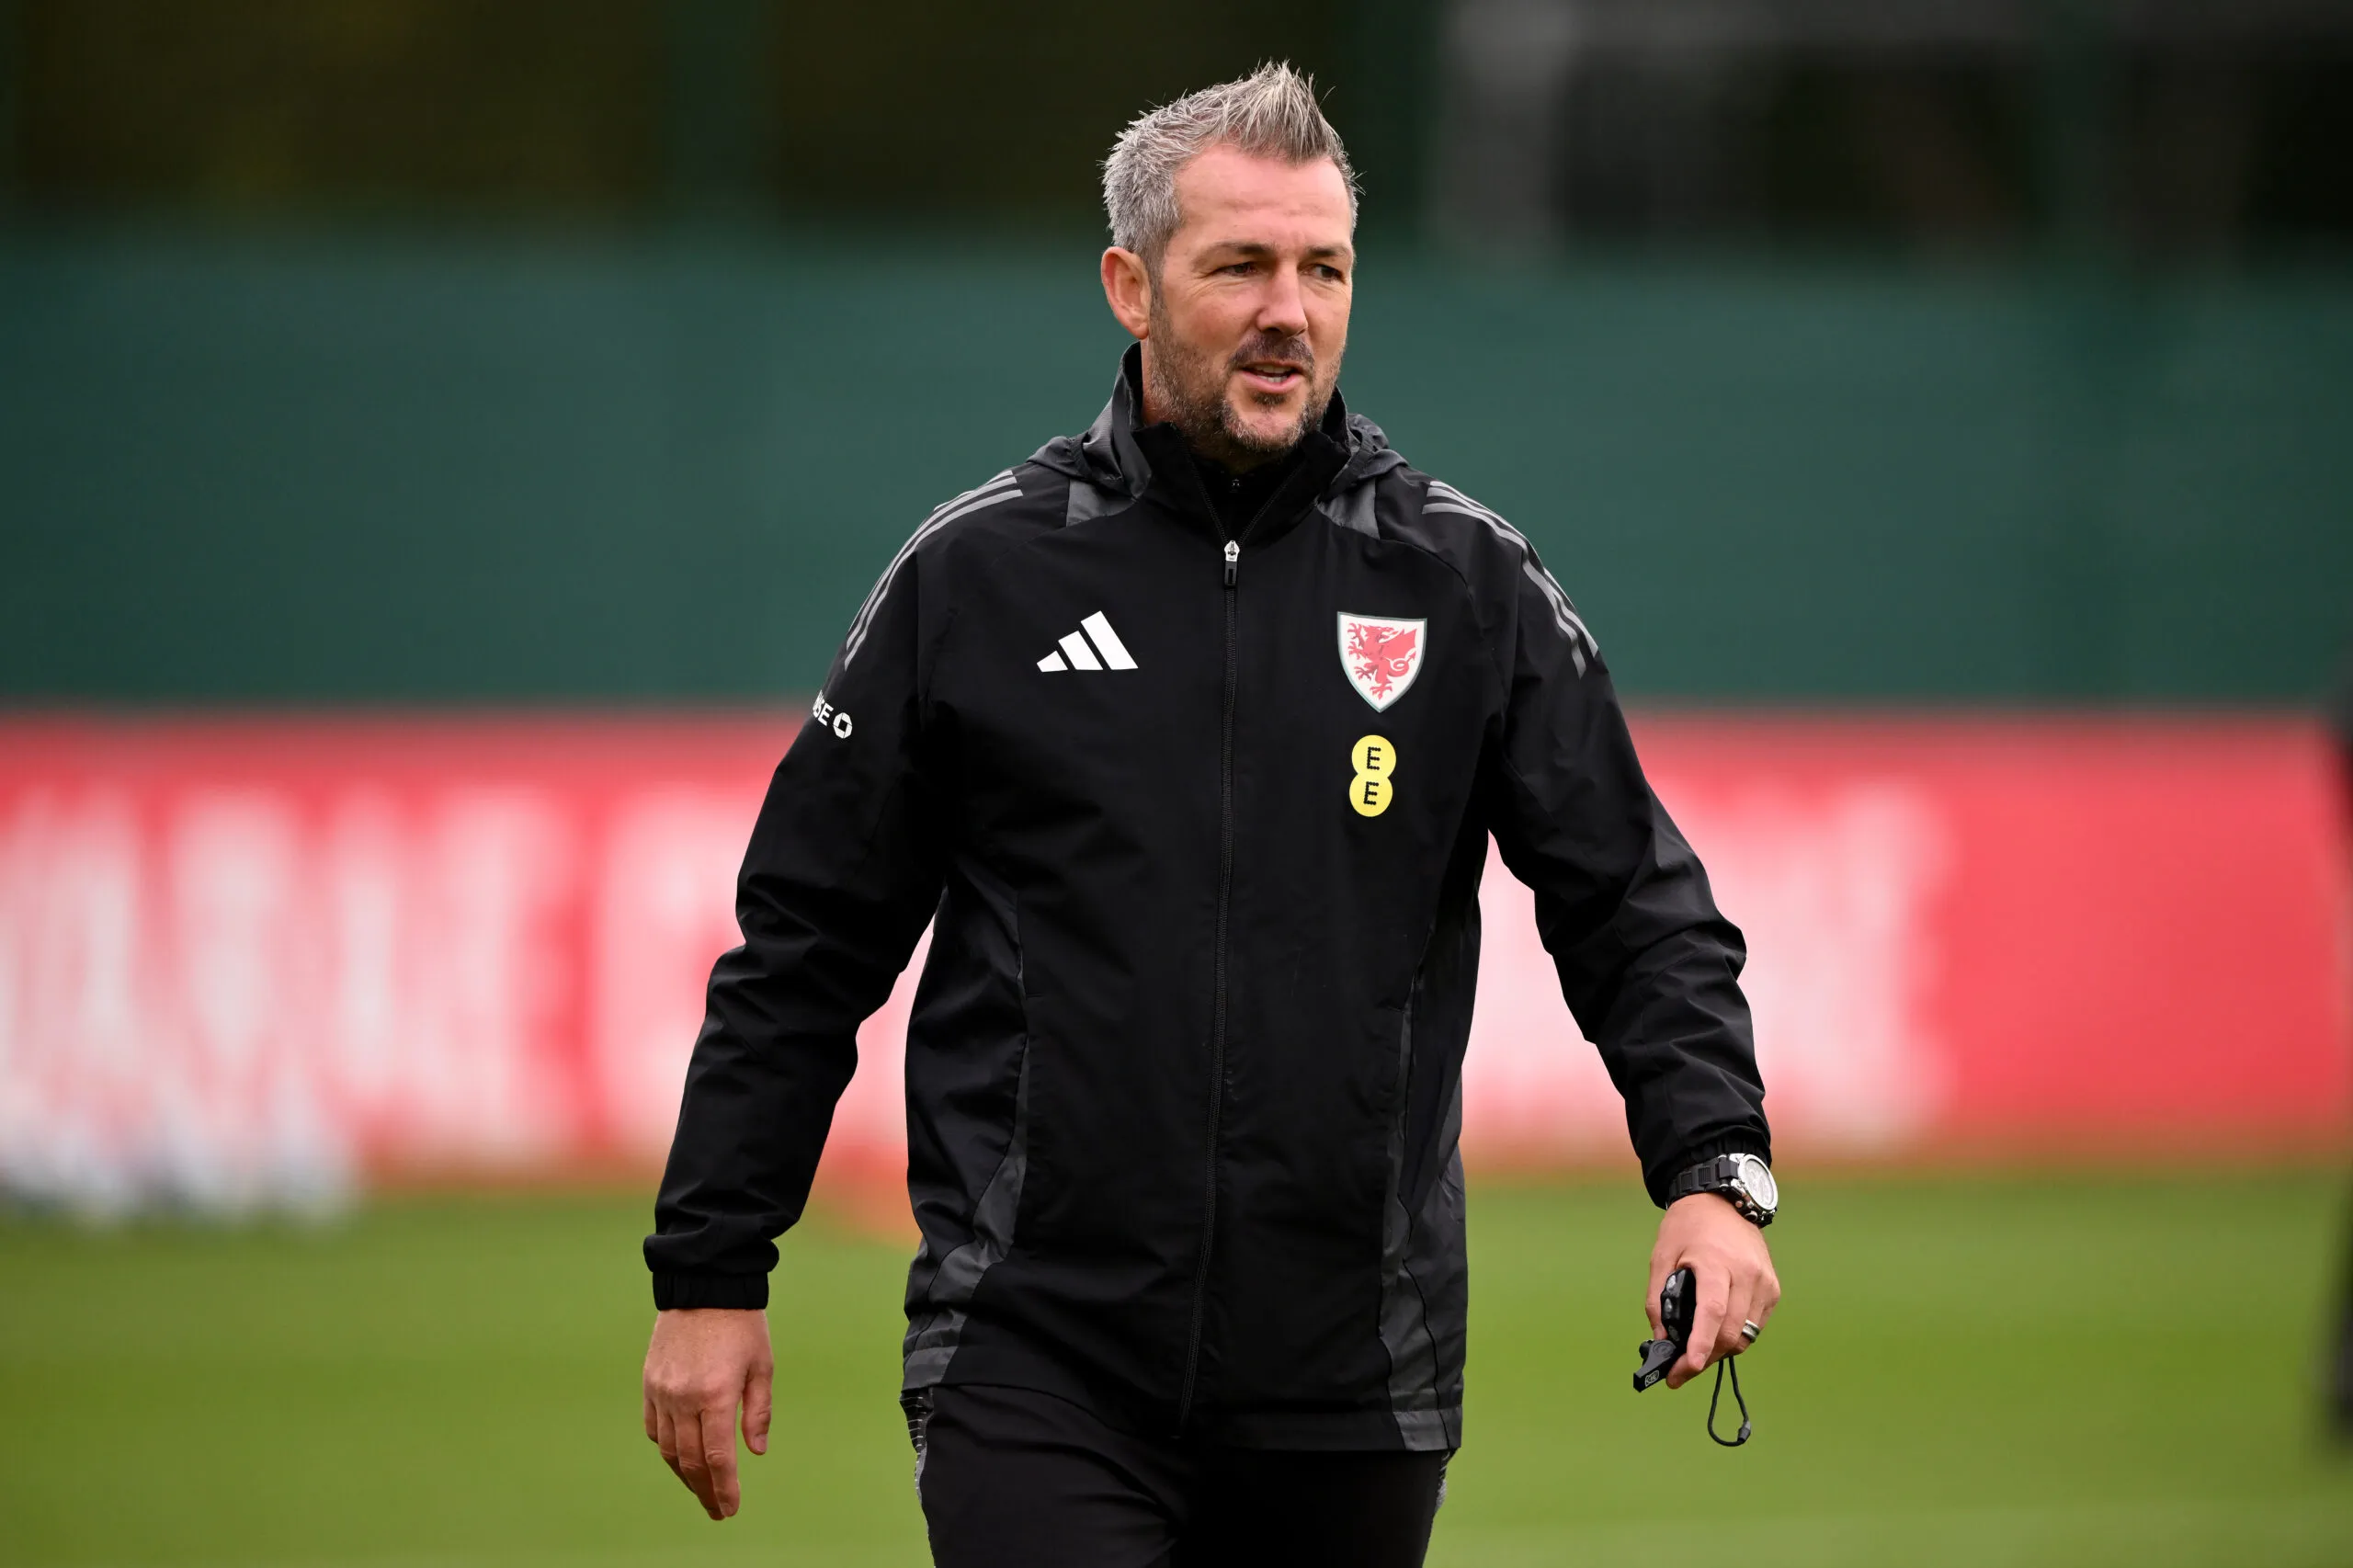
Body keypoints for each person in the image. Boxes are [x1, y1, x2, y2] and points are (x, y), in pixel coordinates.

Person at [640, 62, 1779, 1567]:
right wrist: (710, 1268)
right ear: (1130, 283)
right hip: (1034, 1363)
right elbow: (805, 942)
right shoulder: (980, 579)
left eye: (1324, 267)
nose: (1288, 309)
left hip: (1352, 1385)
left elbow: (1632, 901)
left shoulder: (1462, 581)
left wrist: (1714, 1172)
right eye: (1239, 265)